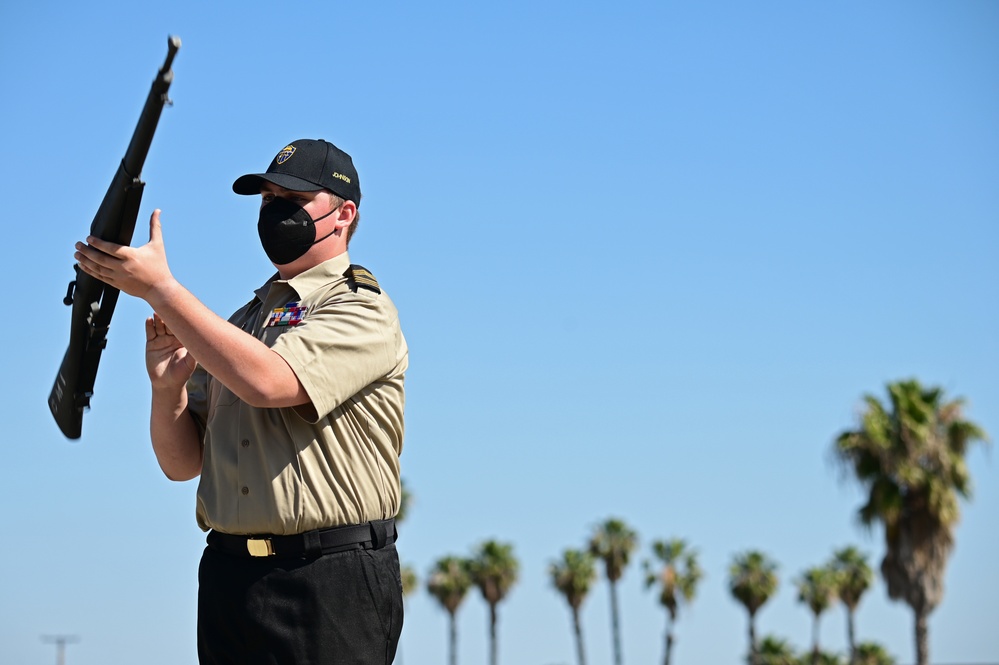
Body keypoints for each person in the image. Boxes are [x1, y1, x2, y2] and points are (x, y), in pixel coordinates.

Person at [73, 138, 408, 664]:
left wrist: (162, 290)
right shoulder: (244, 322)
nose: (274, 211)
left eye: (292, 200)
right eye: (267, 198)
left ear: (344, 214)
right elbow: (182, 464)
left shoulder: (361, 308)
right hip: (231, 579)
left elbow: (271, 382)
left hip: (327, 582)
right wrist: (167, 391)